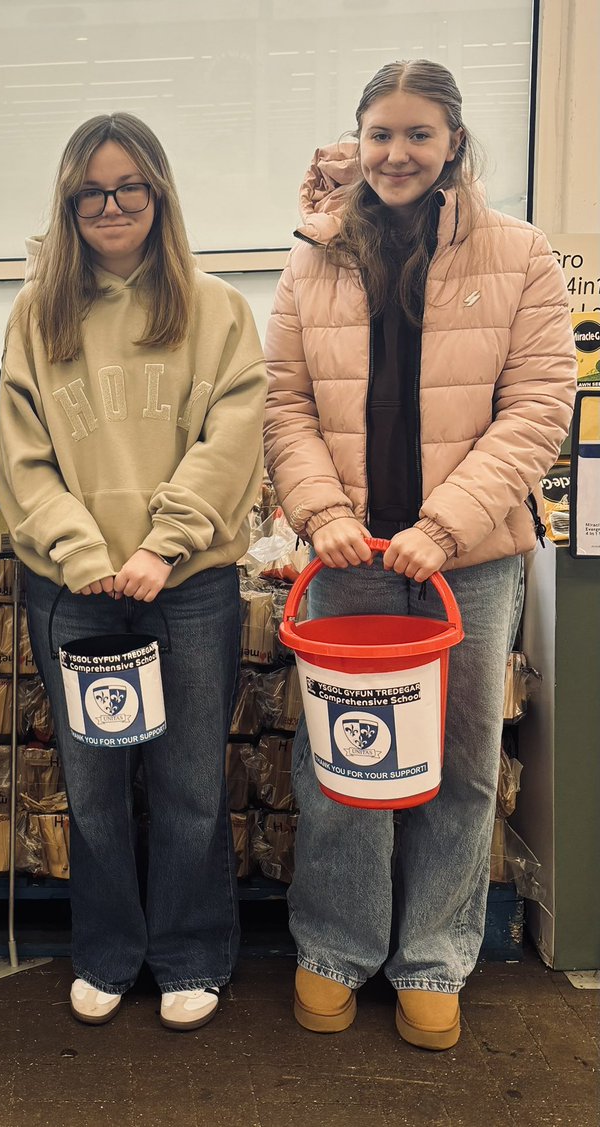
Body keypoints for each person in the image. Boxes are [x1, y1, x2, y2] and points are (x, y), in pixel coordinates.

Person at [263, 60, 576, 1050]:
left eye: (420, 133)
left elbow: (538, 409)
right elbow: (284, 404)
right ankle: (333, 945)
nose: (398, 153)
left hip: (467, 561)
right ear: (357, 140)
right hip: (348, 555)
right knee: (341, 758)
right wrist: (321, 514)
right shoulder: (312, 256)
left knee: (457, 761)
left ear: (454, 142)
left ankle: (434, 955)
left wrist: (441, 527)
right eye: (381, 133)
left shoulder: (520, 254)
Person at [0, 112, 267, 1030]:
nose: (111, 207)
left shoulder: (218, 308)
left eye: (129, 188)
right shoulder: (36, 316)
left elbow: (232, 442)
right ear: (69, 205)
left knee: (192, 782)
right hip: (72, 590)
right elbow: (22, 459)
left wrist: (162, 546)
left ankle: (191, 953)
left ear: (158, 194)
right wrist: (84, 554)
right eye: (91, 193)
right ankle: (108, 951)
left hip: (187, 585)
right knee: (94, 786)